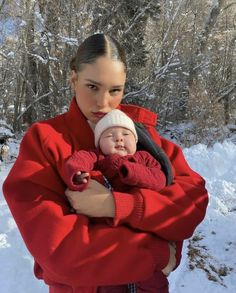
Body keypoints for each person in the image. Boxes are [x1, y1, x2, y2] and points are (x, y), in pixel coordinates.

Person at [3, 33, 208, 293]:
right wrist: (155, 252)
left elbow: (190, 204)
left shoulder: (140, 136)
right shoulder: (46, 141)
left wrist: (119, 206)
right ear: (73, 77)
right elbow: (61, 253)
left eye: (115, 90)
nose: (103, 102)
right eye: (92, 87)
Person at [63, 109, 167, 193]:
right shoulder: (97, 157)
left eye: (125, 134)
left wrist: (132, 171)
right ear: (100, 144)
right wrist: (78, 173)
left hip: (135, 207)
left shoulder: (144, 157)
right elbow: (79, 159)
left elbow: (160, 179)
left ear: (135, 141)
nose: (119, 139)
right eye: (109, 135)